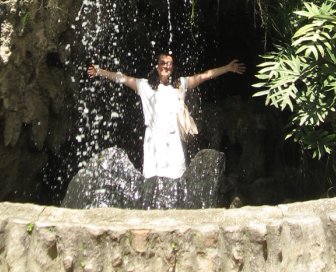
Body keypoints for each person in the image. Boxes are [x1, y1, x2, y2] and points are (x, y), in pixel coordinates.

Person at [87, 54, 245, 179]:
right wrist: (100, 71)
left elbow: (204, 76)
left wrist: (227, 68)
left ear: (173, 67)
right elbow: (121, 78)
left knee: (176, 179)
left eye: (169, 63)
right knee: (151, 180)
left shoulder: (179, 84)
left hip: (174, 141)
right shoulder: (144, 85)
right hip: (154, 143)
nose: (166, 66)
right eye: (163, 63)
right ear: (157, 66)